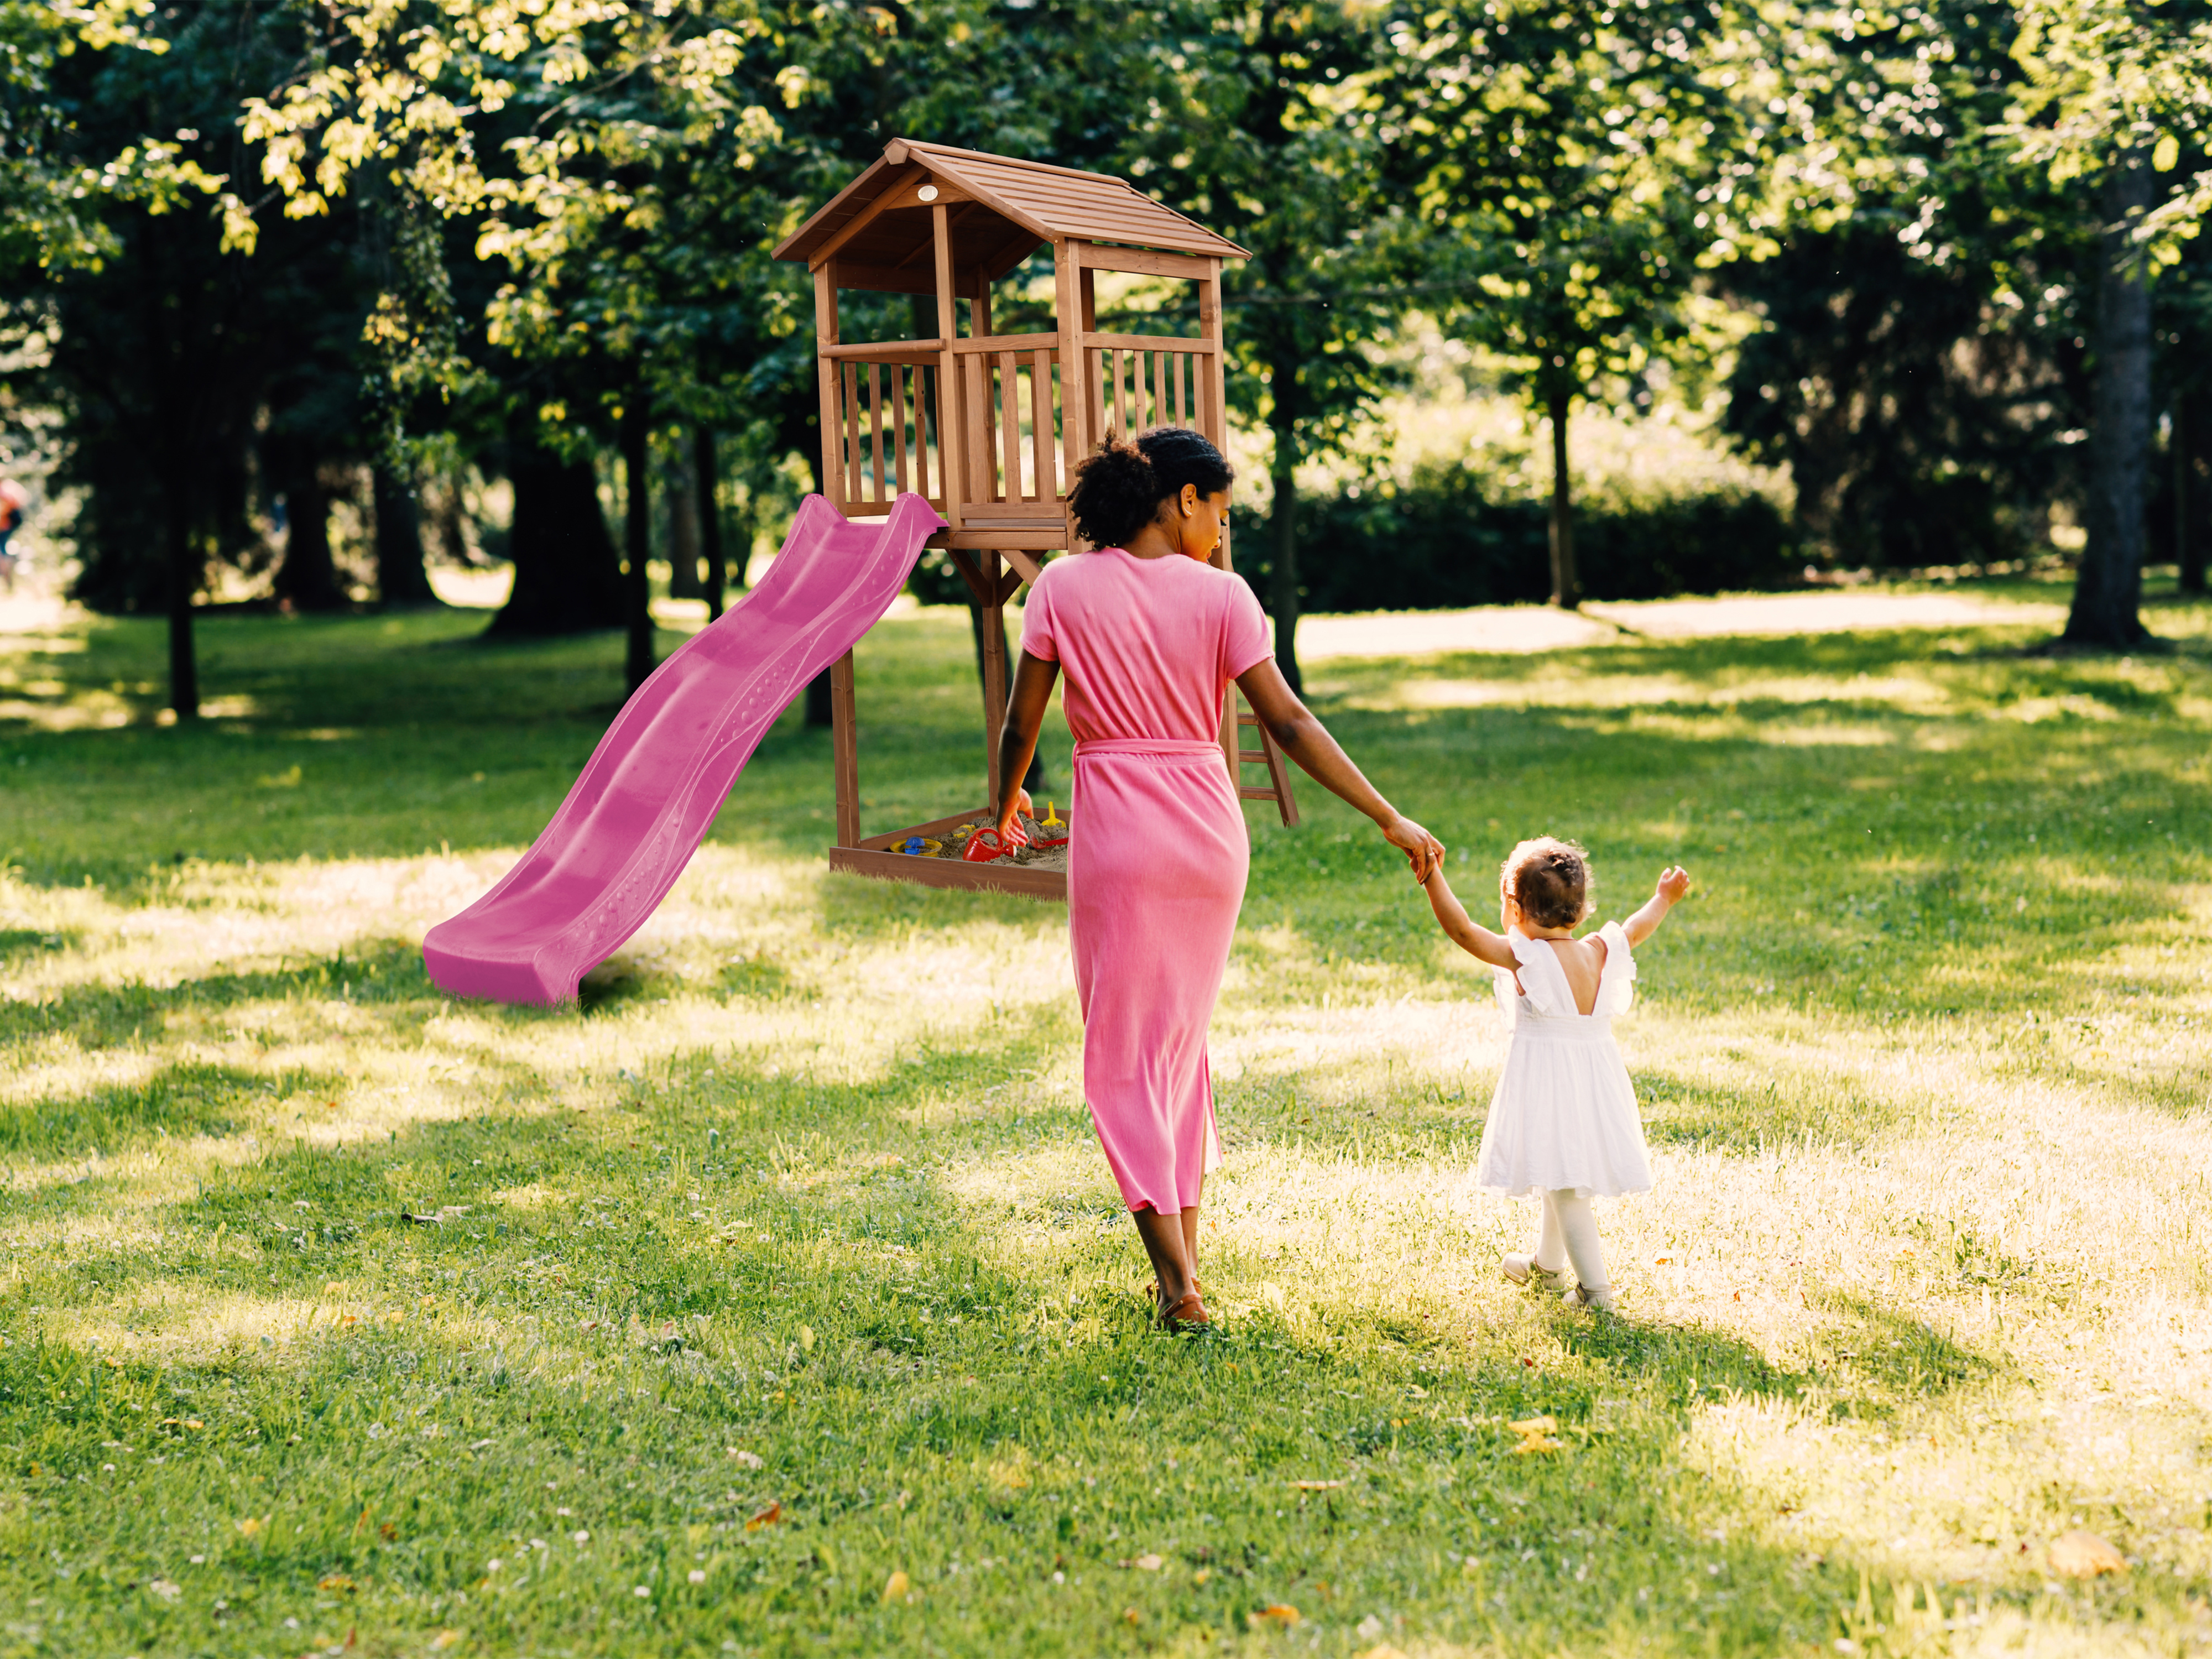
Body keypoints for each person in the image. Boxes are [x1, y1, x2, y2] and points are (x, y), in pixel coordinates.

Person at [990, 427, 1443, 1332]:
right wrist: (1386, 813)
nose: (1223, 536)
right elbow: (1288, 723)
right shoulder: (1226, 598)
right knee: (1177, 1053)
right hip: (1208, 839)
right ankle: (1185, 1268)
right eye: (1222, 514)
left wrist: (1002, 809)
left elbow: (1021, 725)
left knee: (1123, 1058)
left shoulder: (1061, 588)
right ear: (1184, 499)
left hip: (1119, 838)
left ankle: (1176, 1286)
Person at [1418, 838, 1691, 1311]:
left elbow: (1462, 931)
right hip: (1594, 1082)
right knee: (1556, 1170)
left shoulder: (1527, 958)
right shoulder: (1599, 950)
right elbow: (1636, 927)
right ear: (1581, 911)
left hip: (1551, 1084)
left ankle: (1596, 1292)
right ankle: (1547, 1267)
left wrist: (1431, 876)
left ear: (1515, 908)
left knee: (1566, 1189)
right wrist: (1663, 898)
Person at [0, 478, 27, 595]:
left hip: (7, 524)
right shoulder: (8, 486)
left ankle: (6, 575)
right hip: (10, 523)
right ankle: (7, 577)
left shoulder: (4, 491)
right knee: (3, 549)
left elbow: (5, 509)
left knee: (2, 550)